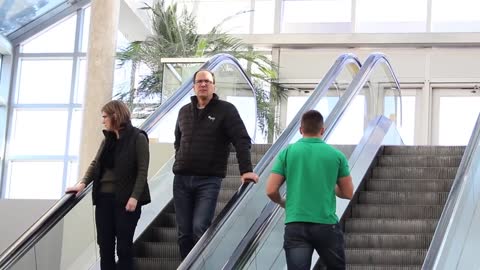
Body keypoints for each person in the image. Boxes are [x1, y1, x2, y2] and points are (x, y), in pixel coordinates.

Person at [173, 69, 259, 259]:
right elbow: (178, 140)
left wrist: (246, 170)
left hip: (208, 180)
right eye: (199, 81)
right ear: (194, 86)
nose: (203, 84)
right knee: (183, 232)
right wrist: (180, 157)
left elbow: (242, 139)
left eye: (207, 81)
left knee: (199, 228)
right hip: (181, 180)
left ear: (214, 86)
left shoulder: (226, 110)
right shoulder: (184, 111)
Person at [66, 100, 150, 270]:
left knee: (123, 248)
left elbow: (142, 171)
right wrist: (82, 183)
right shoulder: (108, 139)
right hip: (104, 200)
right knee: (105, 247)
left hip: (127, 201)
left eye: (105, 117)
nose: (102, 121)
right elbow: (95, 163)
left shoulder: (138, 137)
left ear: (115, 116)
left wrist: (134, 197)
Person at [266, 110, 353, 270]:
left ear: (301, 130)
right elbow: (348, 193)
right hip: (326, 225)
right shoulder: (337, 156)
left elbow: (271, 190)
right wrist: (329, 184)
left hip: (296, 224)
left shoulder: (287, 152)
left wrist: (281, 201)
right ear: (322, 130)